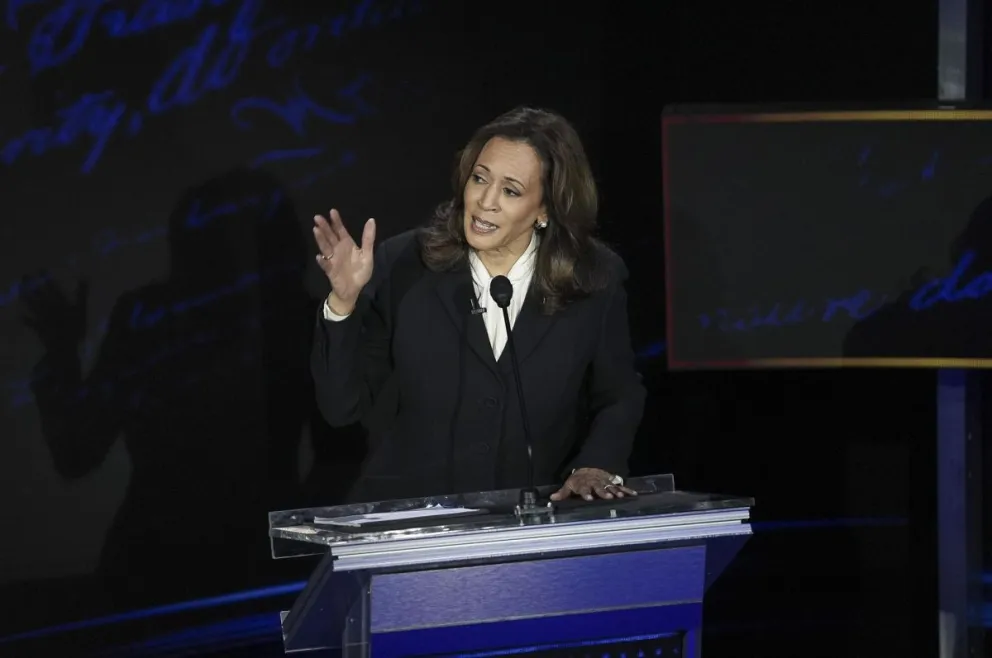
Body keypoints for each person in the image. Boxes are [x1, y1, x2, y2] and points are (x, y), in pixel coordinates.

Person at [311, 107, 646, 504]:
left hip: (537, 516)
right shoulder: (406, 263)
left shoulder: (594, 277)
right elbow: (342, 407)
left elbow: (619, 394)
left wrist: (594, 465)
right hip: (415, 519)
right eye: (479, 179)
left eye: (511, 191)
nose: (485, 202)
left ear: (546, 208)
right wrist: (344, 303)